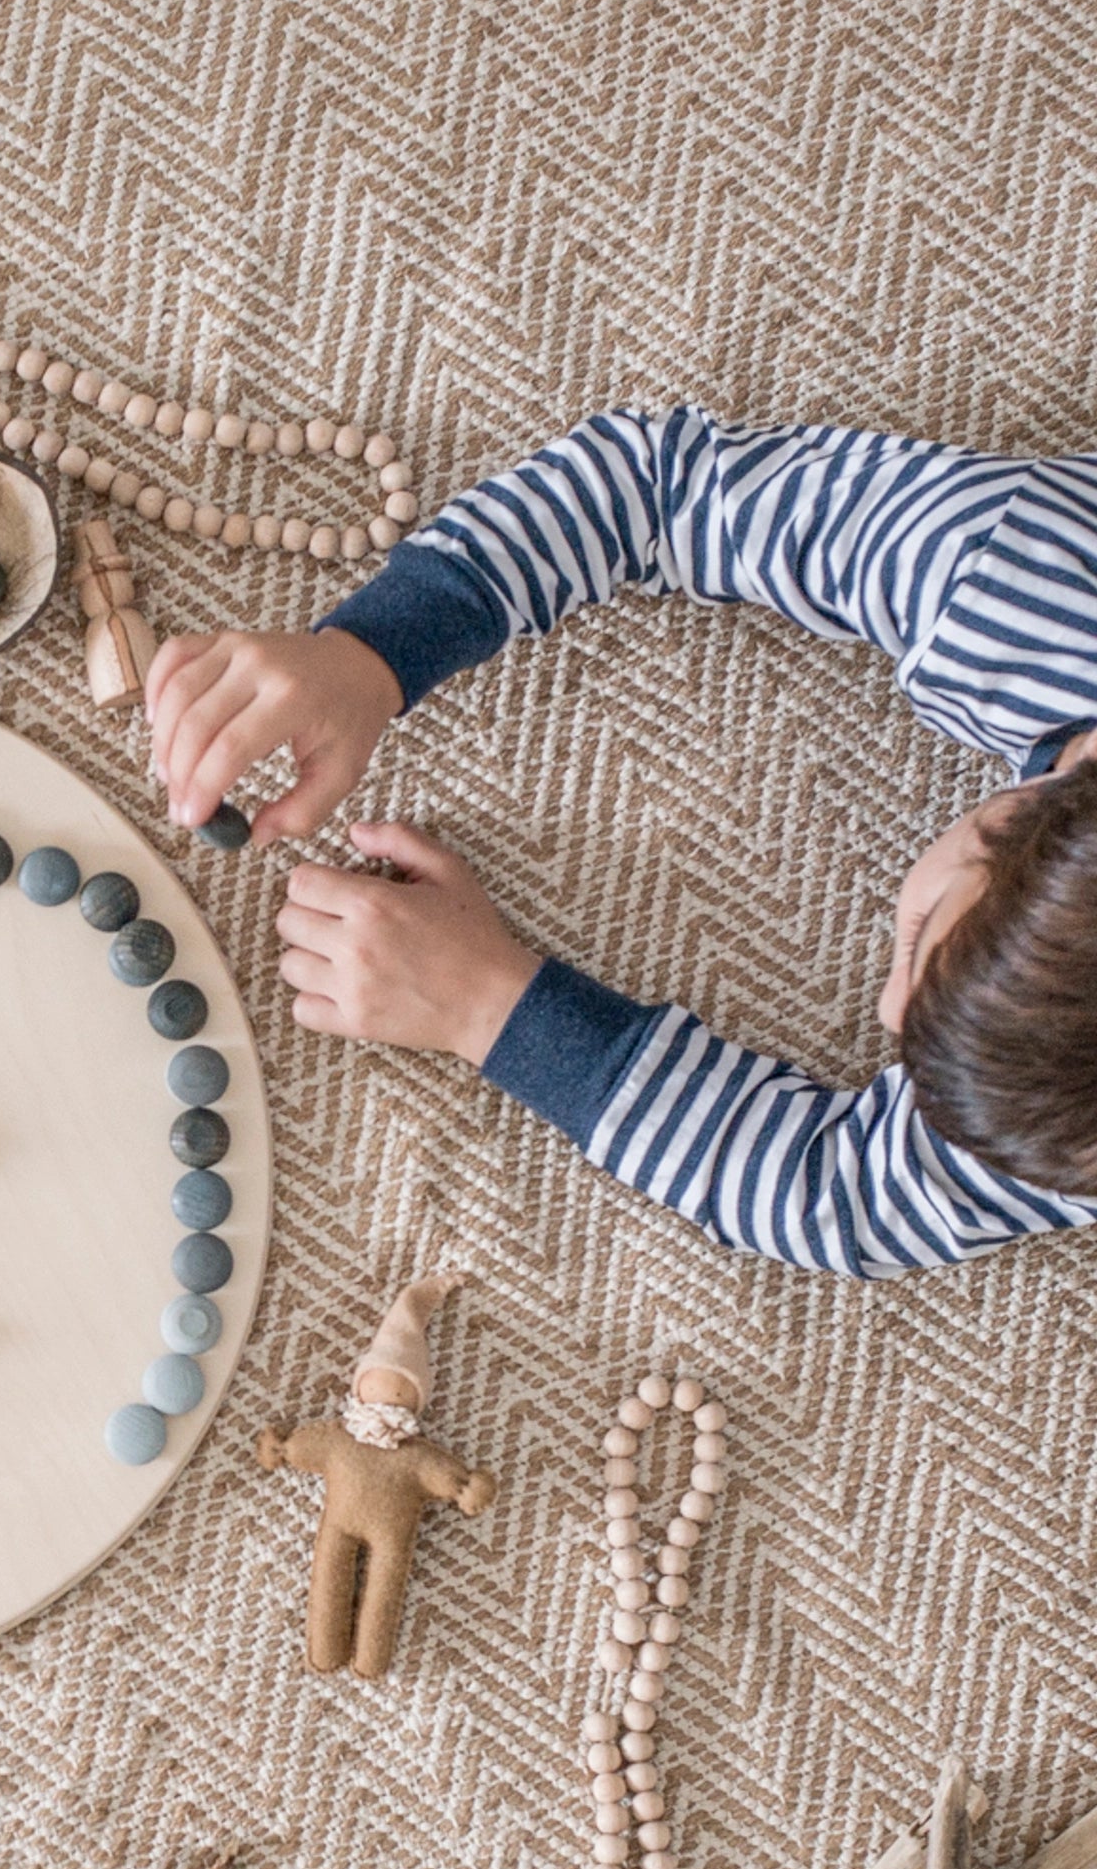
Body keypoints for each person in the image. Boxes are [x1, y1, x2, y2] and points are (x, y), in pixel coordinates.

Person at [145, 407, 1097, 1277]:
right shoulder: (1015, 578)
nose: (889, 1017)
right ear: (1034, 795)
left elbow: (846, 1198)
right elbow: (658, 489)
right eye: (915, 943)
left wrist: (495, 1009)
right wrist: (374, 650)